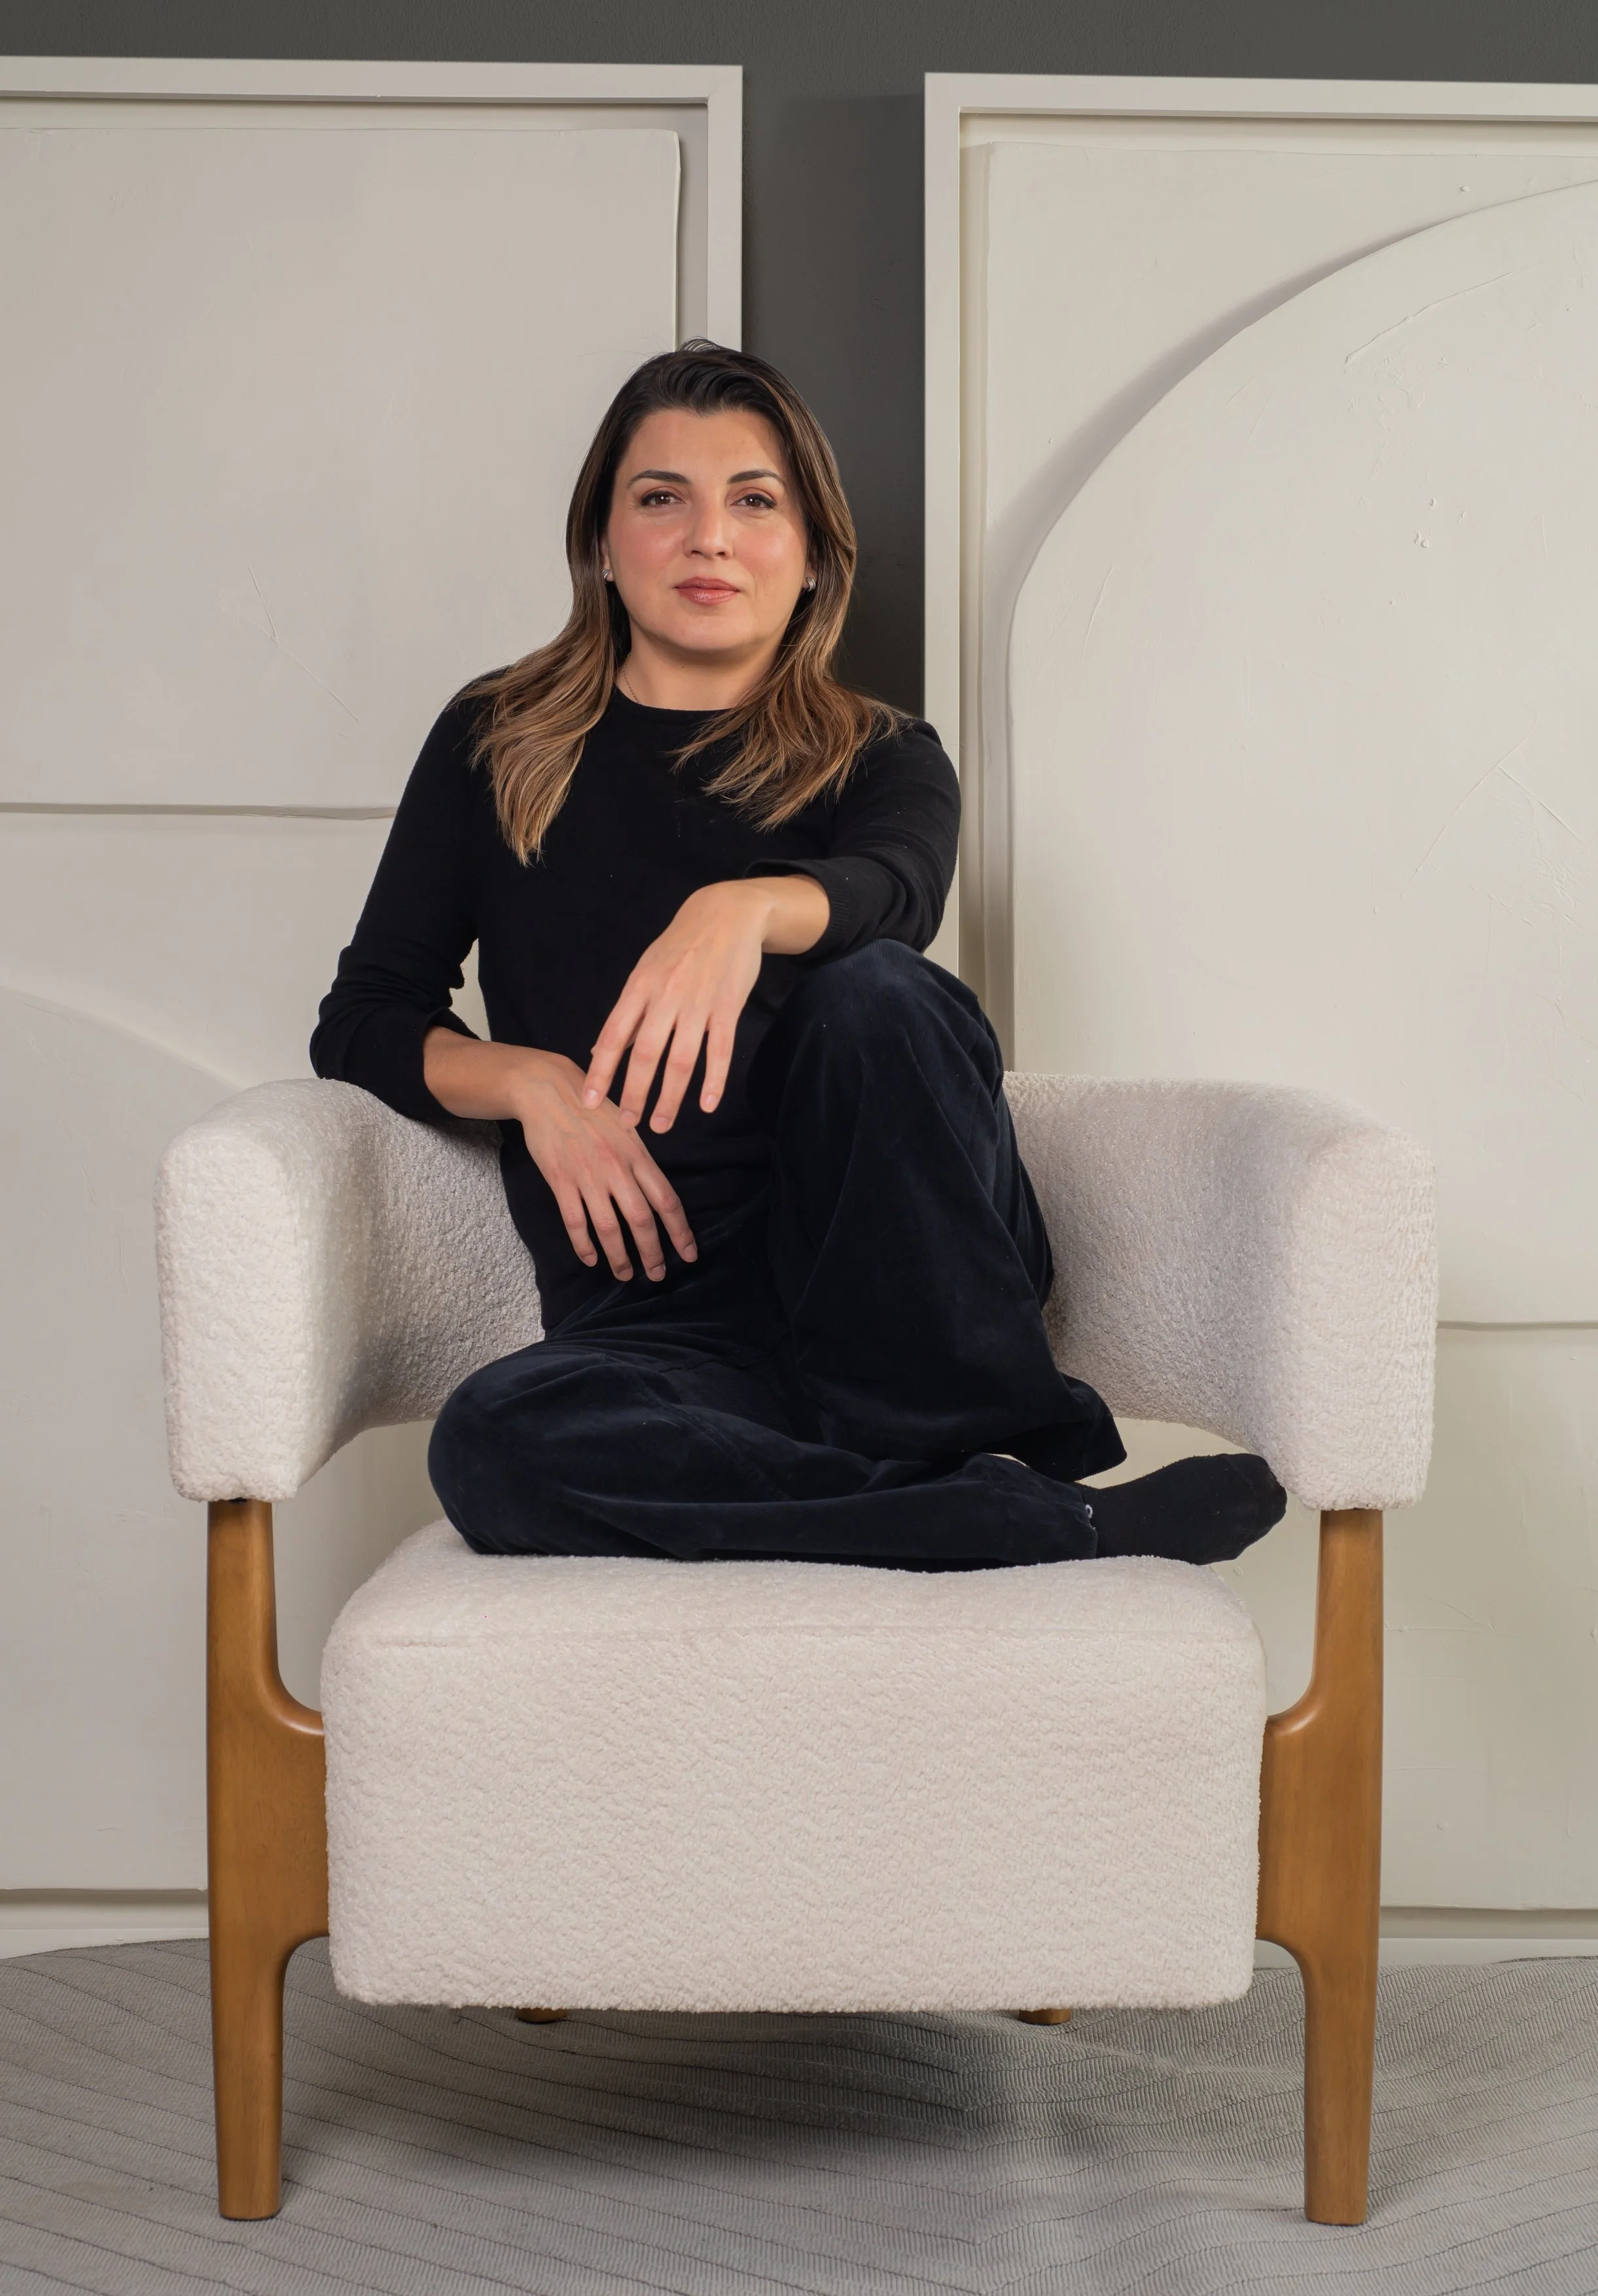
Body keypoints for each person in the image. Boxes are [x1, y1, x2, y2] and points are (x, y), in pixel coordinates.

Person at [313, 342, 1285, 1572]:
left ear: (816, 551)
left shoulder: (883, 755)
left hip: (899, 1305)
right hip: (666, 1334)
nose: (708, 538)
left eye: (755, 501)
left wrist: (743, 909)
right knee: (492, 1443)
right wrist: (530, 1085)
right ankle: (1011, 1517)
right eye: (661, 498)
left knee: (879, 992)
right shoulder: (496, 743)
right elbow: (364, 1015)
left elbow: (900, 893)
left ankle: (957, 1447)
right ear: (602, 541)